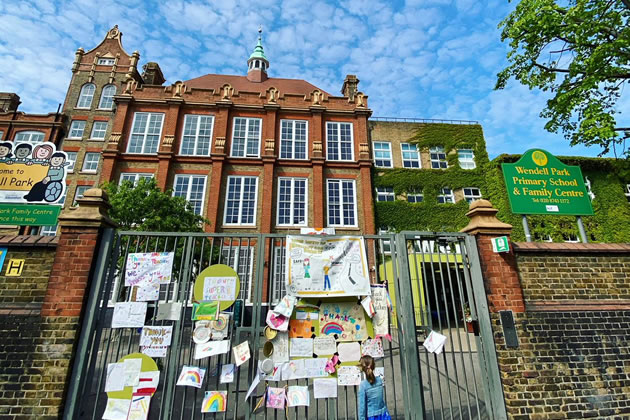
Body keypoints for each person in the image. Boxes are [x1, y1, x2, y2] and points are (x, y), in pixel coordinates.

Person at [357, 355, 391, 420]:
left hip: (371, 416)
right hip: (383, 414)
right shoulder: (379, 380)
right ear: (373, 366)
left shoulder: (363, 385)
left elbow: (362, 407)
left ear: (362, 368)